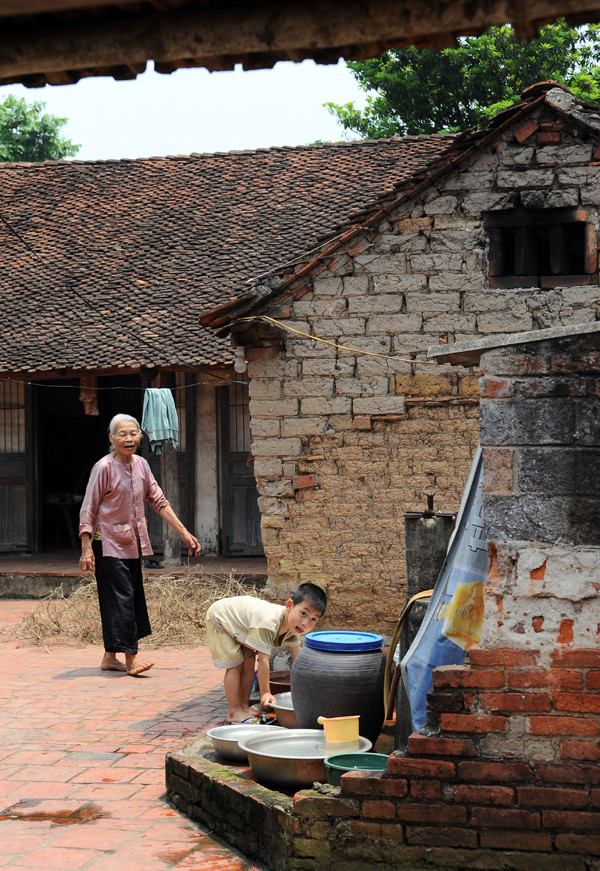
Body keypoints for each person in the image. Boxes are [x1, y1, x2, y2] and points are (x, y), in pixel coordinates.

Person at [79, 413, 201, 676]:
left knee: (124, 596)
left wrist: (184, 532)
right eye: (122, 434)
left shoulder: (142, 465)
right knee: (124, 597)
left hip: (132, 542)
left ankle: (110, 656)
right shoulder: (103, 468)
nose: (129, 438)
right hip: (106, 542)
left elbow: (158, 500)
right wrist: (86, 548)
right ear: (111, 438)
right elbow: (88, 508)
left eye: (133, 433)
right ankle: (131, 657)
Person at [206, 582, 327, 724]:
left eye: (313, 619)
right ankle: (234, 712)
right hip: (222, 617)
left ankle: (244, 707)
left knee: (249, 661)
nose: (305, 623)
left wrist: (309, 687)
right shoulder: (268, 623)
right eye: (303, 613)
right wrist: (265, 693)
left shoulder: (294, 626)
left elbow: (297, 657)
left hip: (245, 623)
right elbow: (263, 660)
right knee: (235, 665)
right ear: (289, 606)